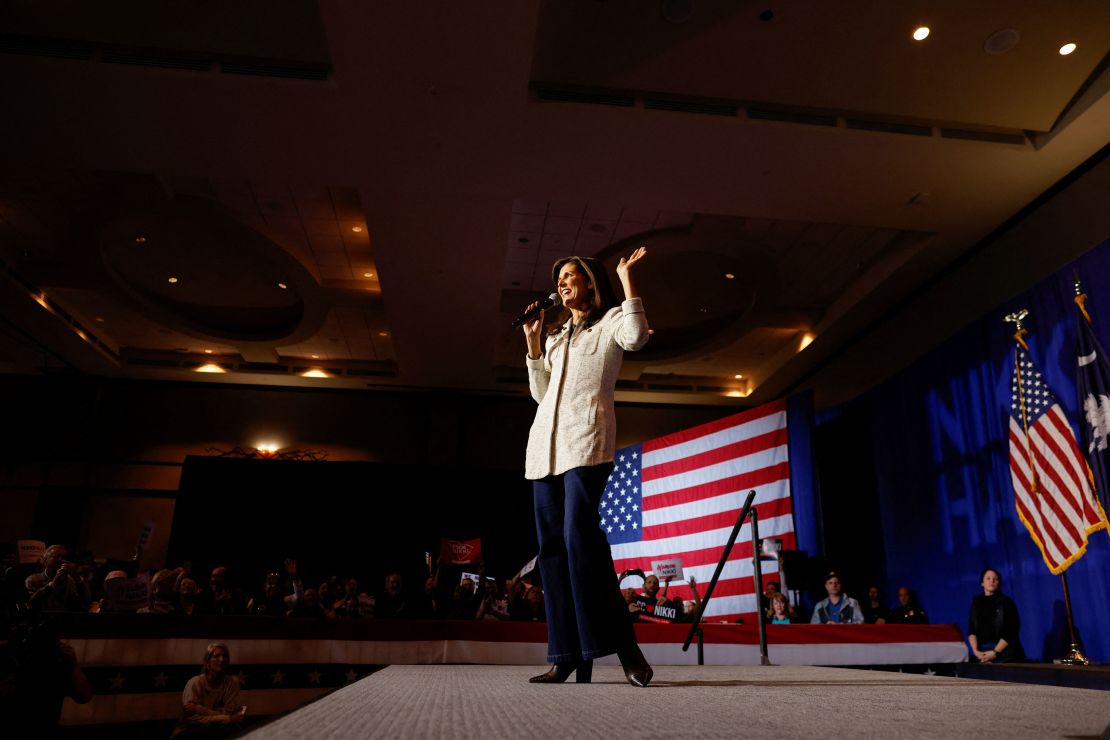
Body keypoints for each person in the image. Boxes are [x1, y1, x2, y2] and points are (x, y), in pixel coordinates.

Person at [522, 247, 653, 687]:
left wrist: (627, 279)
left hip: (585, 444)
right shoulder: (557, 338)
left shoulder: (612, 320)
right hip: (544, 452)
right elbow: (541, 396)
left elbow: (637, 336)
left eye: (570, 276)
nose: (561, 283)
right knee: (552, 552)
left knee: (582, 541)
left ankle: (625, 647)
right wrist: (533, 345)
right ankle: (565, 655)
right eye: (558, 277)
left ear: (590, 283)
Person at [171, 642, 245, 738]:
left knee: (231, 729)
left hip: (219, 727)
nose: (222, 659)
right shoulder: (195, 683)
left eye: (225, 656)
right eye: (216, 656)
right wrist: (226, 718)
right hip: (187, 730)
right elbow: (193, 718)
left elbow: (232, 713)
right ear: (207, 662)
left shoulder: (232, 683)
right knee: (208, 728)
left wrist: (200, 709)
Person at [968, 568, 1024, 663]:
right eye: (988, 578)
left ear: (999, 583)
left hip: (1005, 654)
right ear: (982, 583)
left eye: (995, 579)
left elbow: (1010, 631)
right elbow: (971, 629)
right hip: (983, 653)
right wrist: (976, 651)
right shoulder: (976, 602)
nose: (992, 581)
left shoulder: (1006, 602)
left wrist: (995, 652)